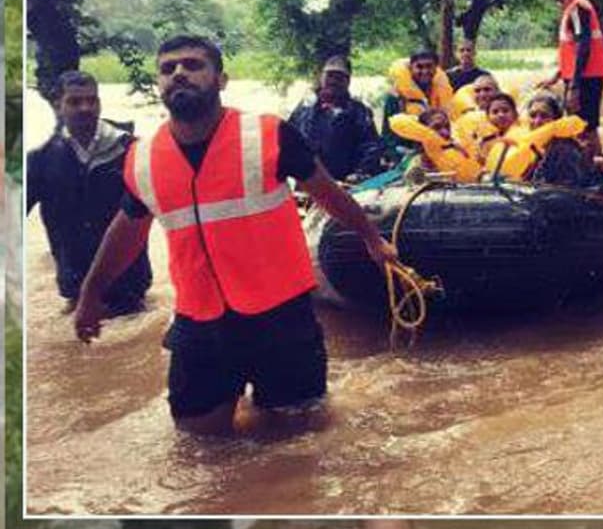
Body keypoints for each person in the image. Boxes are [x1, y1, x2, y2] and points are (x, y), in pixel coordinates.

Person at [73, 35, 398, 436]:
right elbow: (127, 231)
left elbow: (328, 192)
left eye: (193, 65)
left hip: (280, 317)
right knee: (198, 444)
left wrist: (370, 236)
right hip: (199, 320)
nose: (179, 73)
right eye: (168, 68)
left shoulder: (268, 133)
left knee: (298, 442)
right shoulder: (142, 158)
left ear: (221, 79)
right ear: (159, 83)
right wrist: (91, 293)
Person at [27, 70, 151, 316]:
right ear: (57, 106)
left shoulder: (130, 150)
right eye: (75, 101)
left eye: (92, 100)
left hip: (129, 285)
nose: (85, 108)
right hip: (75, 283)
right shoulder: (41, 159)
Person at [537, 0, 603, 156]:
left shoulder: (578, 8)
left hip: (585, 79)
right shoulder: (573, 9)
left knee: (584, 129)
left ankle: (596, 170)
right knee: (582, 128)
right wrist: (557, 76)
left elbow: (583, 45)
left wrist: (575, 86)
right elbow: (573, 49)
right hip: (582, 77)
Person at [287, 55, 384, 182]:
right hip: (306, 183)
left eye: (339, 78)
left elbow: (371, 147)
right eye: (330, 76)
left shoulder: (359, 112)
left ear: (348, 81)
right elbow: (288, 139)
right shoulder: (304, 108)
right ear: (321, 78)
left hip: (344, 185)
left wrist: (361, 173)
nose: (333, 81)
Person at [381, 49, 455, 156]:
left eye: (429, 66)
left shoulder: (443, 93)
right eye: (419, 67)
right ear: (411, 68)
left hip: (440, 153)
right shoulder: (396, 97)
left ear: (436, 68)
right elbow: (388, 137)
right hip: (406, 154)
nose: (425, 71)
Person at [452, 74, 500, 158]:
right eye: (477, 91)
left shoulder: (506, 116)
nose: (482, 94)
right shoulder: (462, 120)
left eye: (487, 90)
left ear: (497, 92)